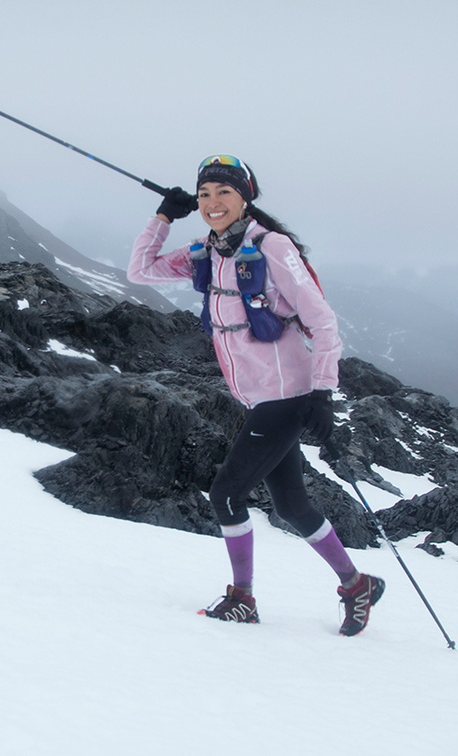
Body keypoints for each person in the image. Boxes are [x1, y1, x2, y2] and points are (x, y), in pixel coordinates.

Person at [127, 154, 384, 636]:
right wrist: (163, 217)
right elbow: (141, 270)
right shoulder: (207, 251)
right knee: (291, 506)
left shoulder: (271, 247)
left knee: (226, 494)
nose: (212, 202)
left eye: (223, 192)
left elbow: (323, 321)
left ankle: (242, 598)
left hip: (288, 395)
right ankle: (357, 584)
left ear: (245, 198)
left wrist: (323, 392)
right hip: (259, 398)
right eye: (204, 194)